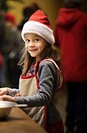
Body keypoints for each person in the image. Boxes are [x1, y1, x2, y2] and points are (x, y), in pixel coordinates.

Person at [0, 10, 64, 133]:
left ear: (46, 41)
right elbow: (31, 91)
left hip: (48, 123)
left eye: (36, 40)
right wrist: (10, 91)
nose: (30, 44)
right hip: (35, 118)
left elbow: (44, 97)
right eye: (27, 40)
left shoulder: (46, 65)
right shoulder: (33, 63)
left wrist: (15, 100)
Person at [54, 0, 87, 133]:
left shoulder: (59, 21)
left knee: (71, 96)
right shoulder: (84, 19)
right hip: (83, 66)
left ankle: (69, 125)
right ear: (78, 5)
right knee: (81, 98)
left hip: (68, 66)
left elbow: (56, 41)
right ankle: (81, 126)